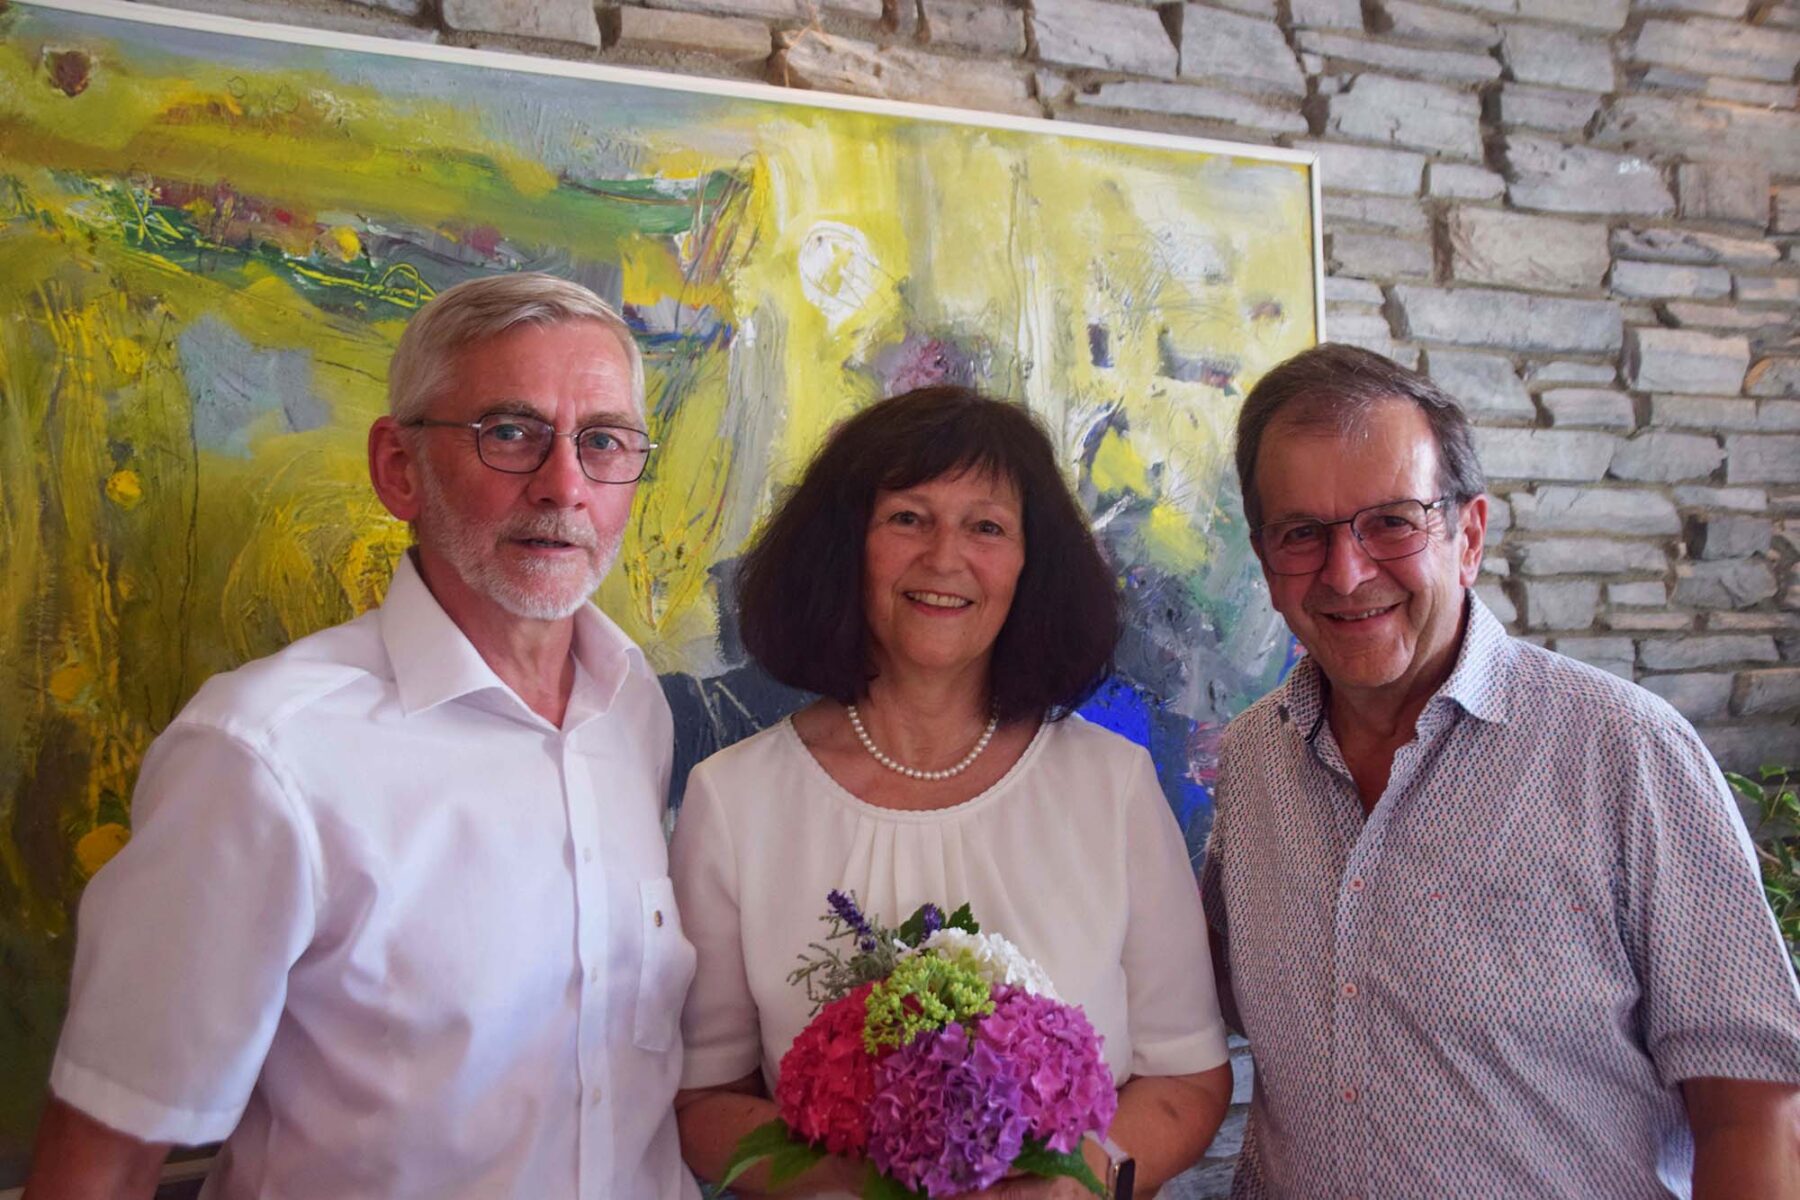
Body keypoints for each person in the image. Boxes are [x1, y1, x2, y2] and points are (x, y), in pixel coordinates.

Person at [24, 273, 700, 1200]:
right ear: (398, 469)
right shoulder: (263, 756)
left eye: (604, 442)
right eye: (510, 433)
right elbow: (98, 1170)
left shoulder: (632, 710)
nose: (564, 486)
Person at [1200, 342, 1800, 1199]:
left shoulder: (1627, 754)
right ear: (1267, 562)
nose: (1347, 572)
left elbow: (1753, 1112)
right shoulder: (1252, 761)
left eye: (1392, 522)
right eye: (1303, 534)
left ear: (1469, 536)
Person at [669, 386, 1233, 1198]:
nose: (944, 557)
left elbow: (1186, 1077)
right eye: (907, 518)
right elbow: (703, 1101)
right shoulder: (733, 800)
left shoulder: (1112, 785)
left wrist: (1073, 1187)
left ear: (1031, 564)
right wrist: (858, 1184)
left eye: (987, 527)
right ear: (844, 547)